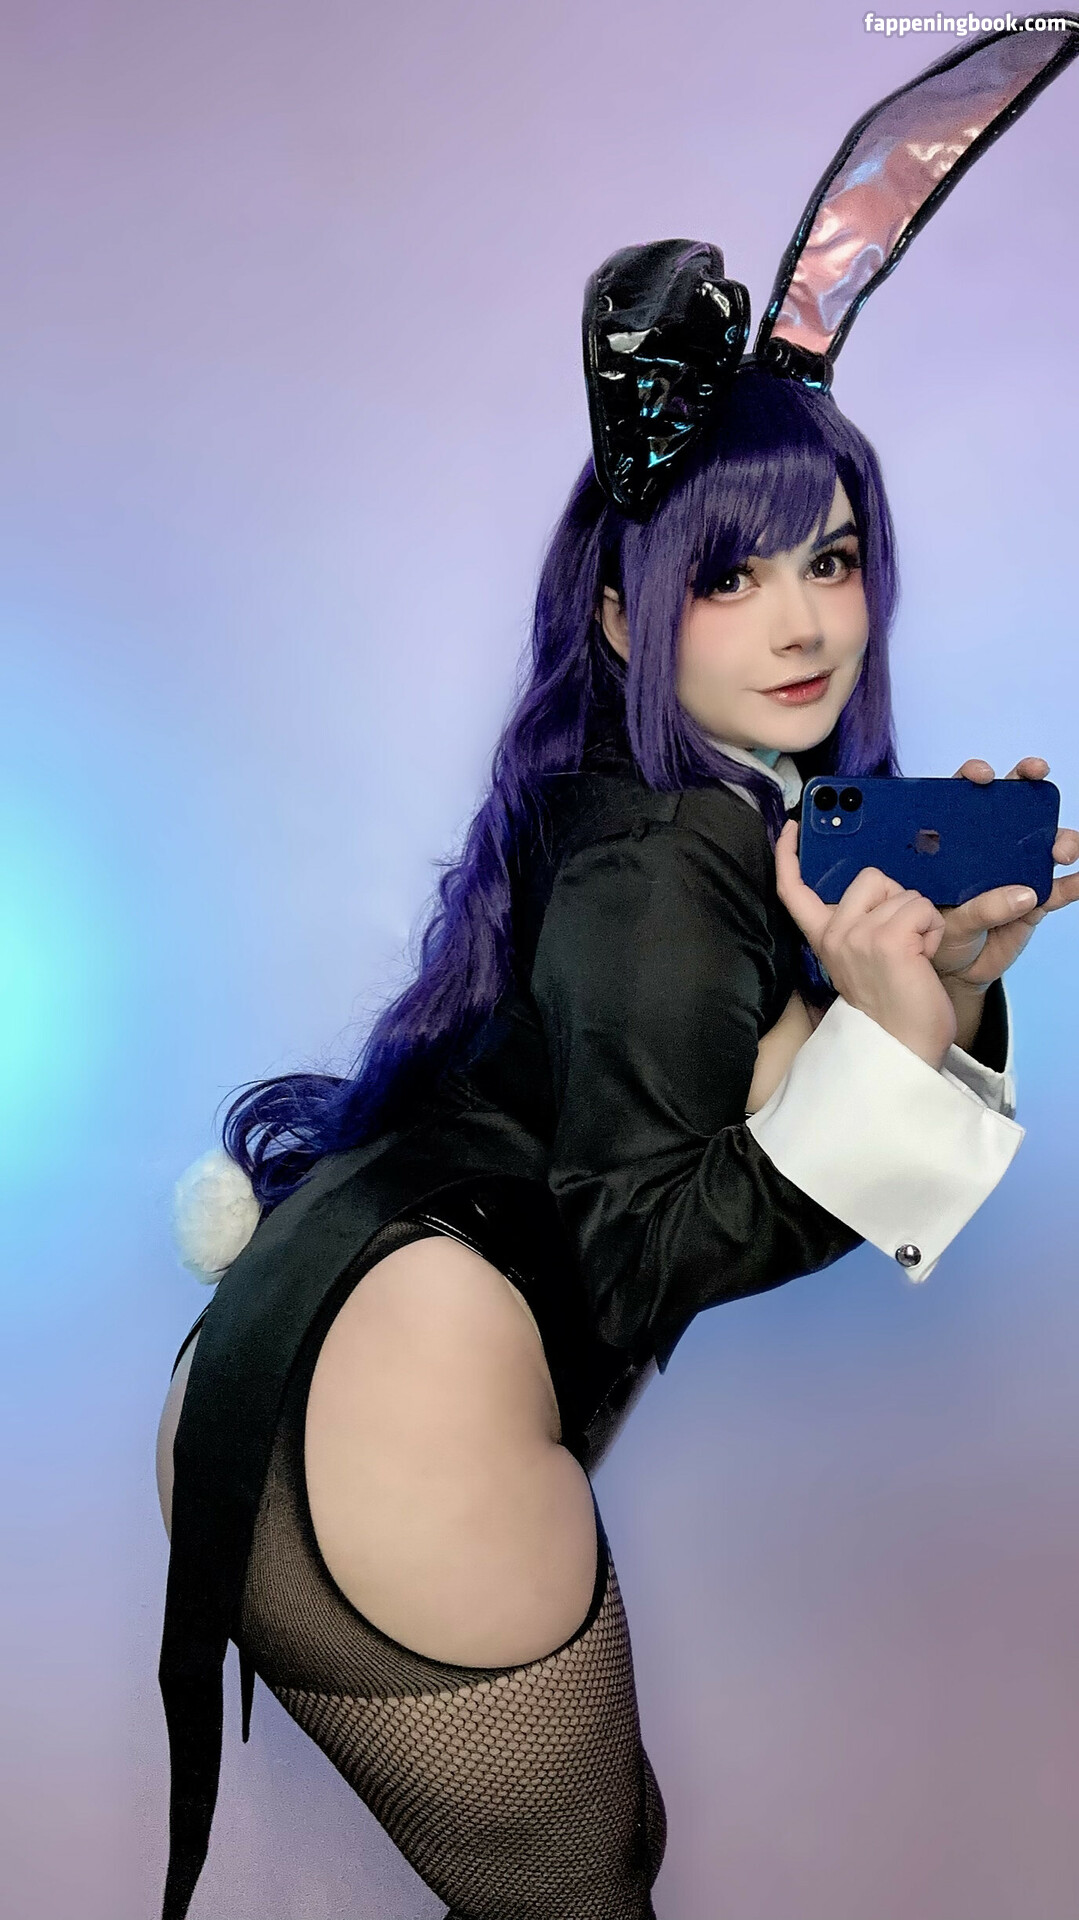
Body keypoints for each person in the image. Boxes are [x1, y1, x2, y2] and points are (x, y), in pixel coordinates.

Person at [156, 26, 1079, 1920]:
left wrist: (946, 985)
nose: (803, 621)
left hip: (290, 1371)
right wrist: (901, 1036)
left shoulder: (674, 802)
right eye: (725, 577)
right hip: (410, 1415)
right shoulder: (669, 860)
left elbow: (714, 1122)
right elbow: (649, 1243)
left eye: (830, 557)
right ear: (621, 610)